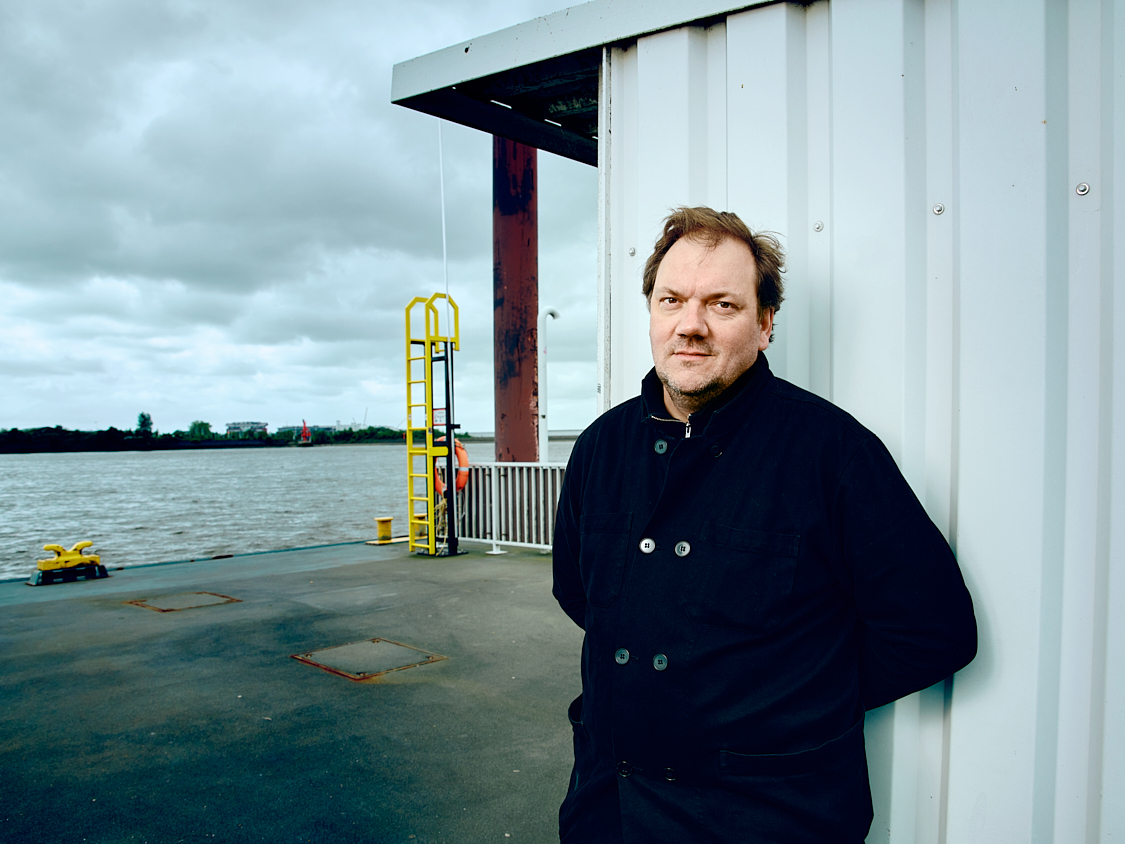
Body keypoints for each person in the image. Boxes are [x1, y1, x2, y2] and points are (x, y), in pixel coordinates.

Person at [552, 206, 977, 843]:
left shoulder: (832, 452)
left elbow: (934, 630)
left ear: (765, 322)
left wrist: (797, 699)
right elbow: (578, 593)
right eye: (671, 301)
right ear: (652, 314)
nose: (689, 326)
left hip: (769, 819)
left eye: (721, 304)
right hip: (610, 809)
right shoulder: (600, 448)